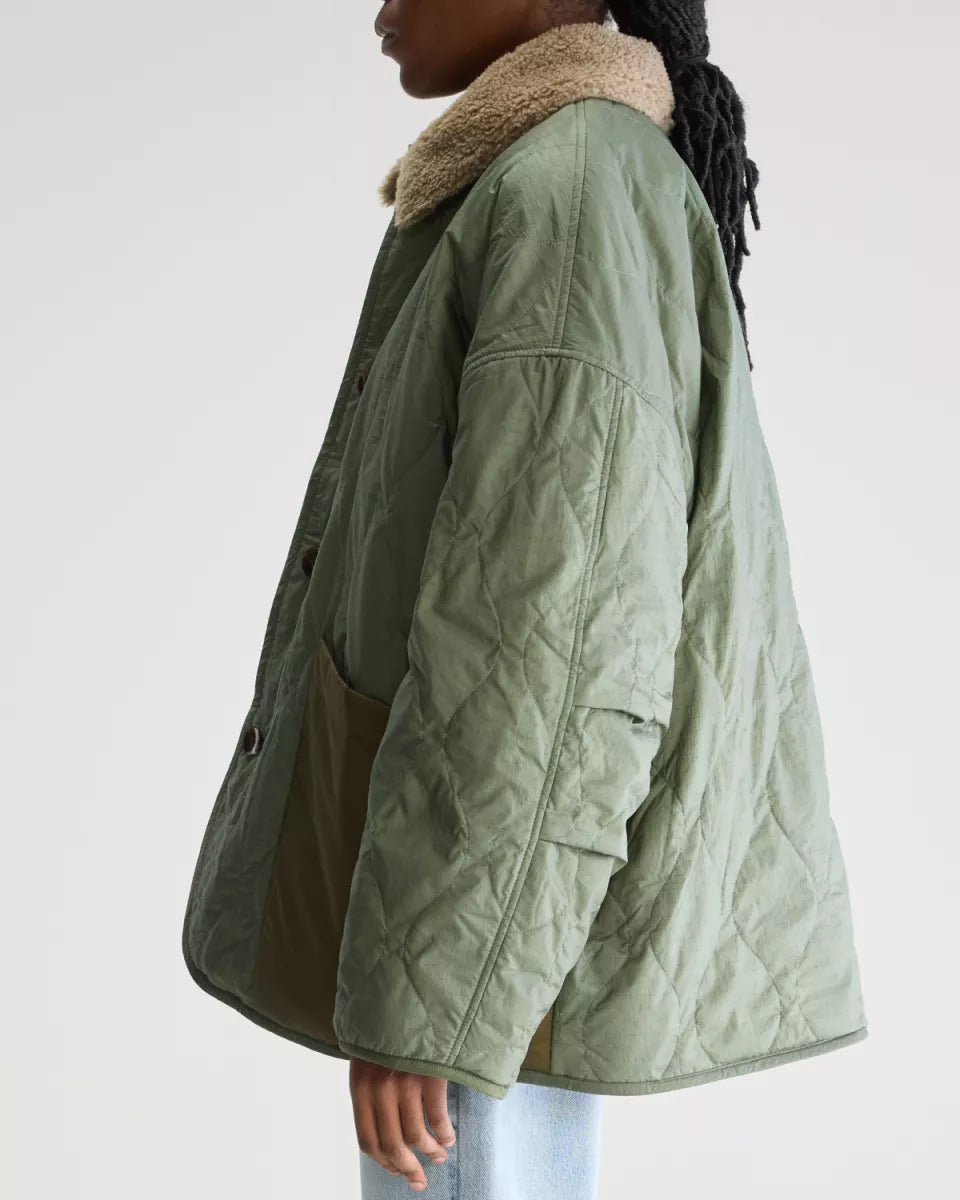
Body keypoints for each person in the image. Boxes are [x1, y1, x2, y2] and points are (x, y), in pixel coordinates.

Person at [180, 2, 869, 1197]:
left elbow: (556, 653)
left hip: (491, 921)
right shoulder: (541, 175)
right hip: (489, 901)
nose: (384, 7)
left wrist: (437, 990)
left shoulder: (574, 187)